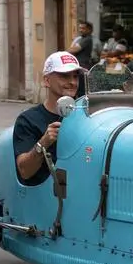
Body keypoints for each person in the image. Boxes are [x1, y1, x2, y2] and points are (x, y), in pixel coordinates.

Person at [13, 51, 82, 186]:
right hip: (48, 195)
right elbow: (24, 171)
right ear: (46, 81)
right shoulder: (28, 120)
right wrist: (43, 143)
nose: (73, 82)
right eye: (64, 76)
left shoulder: (84, 115)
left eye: (75, 76)